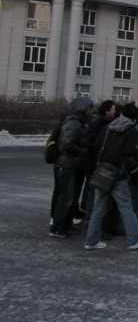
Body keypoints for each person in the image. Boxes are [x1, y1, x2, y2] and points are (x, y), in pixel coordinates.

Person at [84, 112, 138, 251]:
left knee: (98, 209)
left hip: (103, 170)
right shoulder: (132, 131)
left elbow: (97, 145)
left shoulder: (108, 127)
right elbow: (127, 152)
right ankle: (133, 239)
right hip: (119, 172)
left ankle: (91, 240)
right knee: (126, 208)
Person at [50, 97, 93, 238]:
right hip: (67, 164)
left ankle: (66, 225)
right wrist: (82, 151)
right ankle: (57, 227)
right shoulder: (73, 123)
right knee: (66, 197)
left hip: (74, 165)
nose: (90, 111)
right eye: (89, 108)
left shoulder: (79, 122)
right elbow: (67, 143)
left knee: (72, 197)